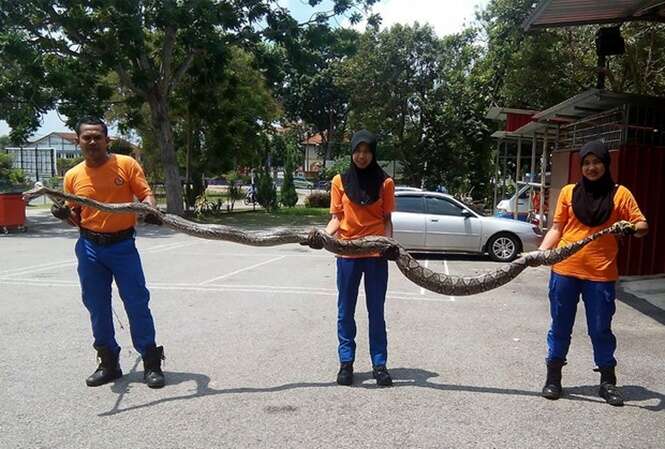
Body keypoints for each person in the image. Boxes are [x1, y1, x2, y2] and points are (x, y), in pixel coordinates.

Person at [50, 117, 166, 388]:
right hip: (90, 247)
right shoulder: (73, 175)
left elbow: (145, 195)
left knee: (137, 302)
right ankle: (109, 362)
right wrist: (63, 214)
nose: (92, 142)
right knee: (96, 306)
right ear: (78, 141)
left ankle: (151, 362)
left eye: (97, 137)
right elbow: (75, 217)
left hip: (123, 246)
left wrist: (151, 210)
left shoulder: (126, 164)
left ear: (107, 140)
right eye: (86, 138)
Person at [537, 140, 648, 406]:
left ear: (605, 163)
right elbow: (557, 228)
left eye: (596, 162)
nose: (591, 167)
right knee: (560, 326)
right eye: (586, 163)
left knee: (600, 329)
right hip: (565, 271)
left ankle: (608, 382)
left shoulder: (620, 194)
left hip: (601, 274)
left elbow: (642, 225)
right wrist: (540, 253)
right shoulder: (567, 192)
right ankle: (553, 378)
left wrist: (631, 229)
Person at [312, 129, 396, 387]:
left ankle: (379, 365)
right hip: (347, 253)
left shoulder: (385, 183)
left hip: (375, 255)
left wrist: (389, 245)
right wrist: (322, 237)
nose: (362, 156)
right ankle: (346, 363)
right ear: (352, 152)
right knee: (345, 310)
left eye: (367, 151)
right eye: (357, 151)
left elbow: (386, 220)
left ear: (373, 153)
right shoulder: (340, 180)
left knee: (376, 312)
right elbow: (337, 218)